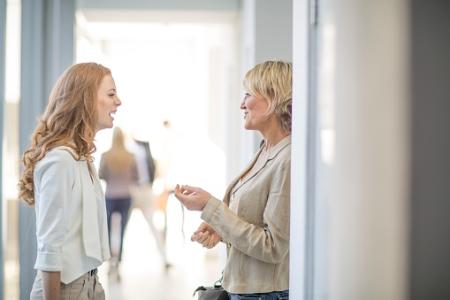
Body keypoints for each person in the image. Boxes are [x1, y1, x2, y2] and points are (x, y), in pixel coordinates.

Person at [175, 60, 292, 300]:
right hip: (247, 290)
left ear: (274, 99)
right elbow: (254, 222)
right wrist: (221, 231)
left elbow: (273, 247)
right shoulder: (265, 150)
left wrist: (210, 207)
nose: (241, 104)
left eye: (248, 94)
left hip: (264, 295)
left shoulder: (288, 159)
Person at [18, 62, 121, 300]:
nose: (118, 101)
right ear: (85, 99)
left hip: (90, 284)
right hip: (65, 290)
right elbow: (49, 248)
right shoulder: (61, 160)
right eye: (111, 94)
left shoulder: (81, 157)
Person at [99, 127, 139, 277]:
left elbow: (101, 174)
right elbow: (136, 177)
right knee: (122, 231)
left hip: (110, 196)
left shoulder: (105, 156)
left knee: (108, 231)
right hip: (126, 196)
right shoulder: (131, 156)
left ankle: (110, 263)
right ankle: (119, 263)